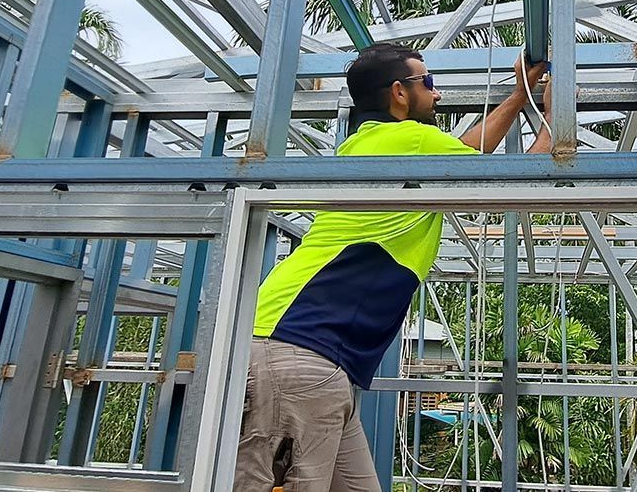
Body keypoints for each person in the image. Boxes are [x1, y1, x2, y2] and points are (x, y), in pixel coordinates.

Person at [234, 42, 552, 492]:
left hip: (311, 355)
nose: (438, 95)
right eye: (430, 83)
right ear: (400, 93)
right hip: (301, 349)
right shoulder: (410, 140)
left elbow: (466, 149)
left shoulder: (377, 143)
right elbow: (520, 180)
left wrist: (521, 94)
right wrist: (555, 118)